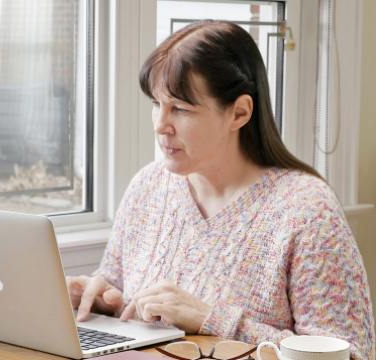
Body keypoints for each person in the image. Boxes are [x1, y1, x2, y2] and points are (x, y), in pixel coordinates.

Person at [66, 20, 375, 359]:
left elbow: (351, 354)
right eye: (157, 104)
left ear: (239, 113)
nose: (160, 125)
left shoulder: (307, 211)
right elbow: (119, 292)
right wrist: (99, 299)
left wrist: (213, 320)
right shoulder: (147, 186)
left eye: (180, 109)